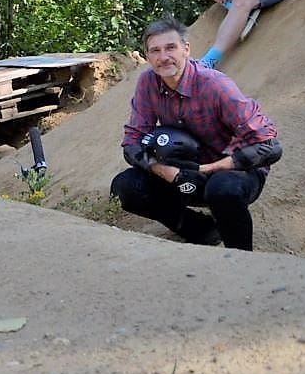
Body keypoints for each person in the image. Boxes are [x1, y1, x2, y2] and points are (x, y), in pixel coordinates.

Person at [111, 16, 281, 251]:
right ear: (148, 56)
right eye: (155, 51)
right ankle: (201, 231)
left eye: (171, 47)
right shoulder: (148, 83)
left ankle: (242, 258)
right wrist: (168, 172)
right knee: (127, 187)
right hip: (184, 171)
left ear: (186, 49)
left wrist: (210, 169)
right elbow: (132, 142)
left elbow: (271, 147)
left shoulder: (215, 85)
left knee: (222, 190)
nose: (163, 57)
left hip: (234, 170)